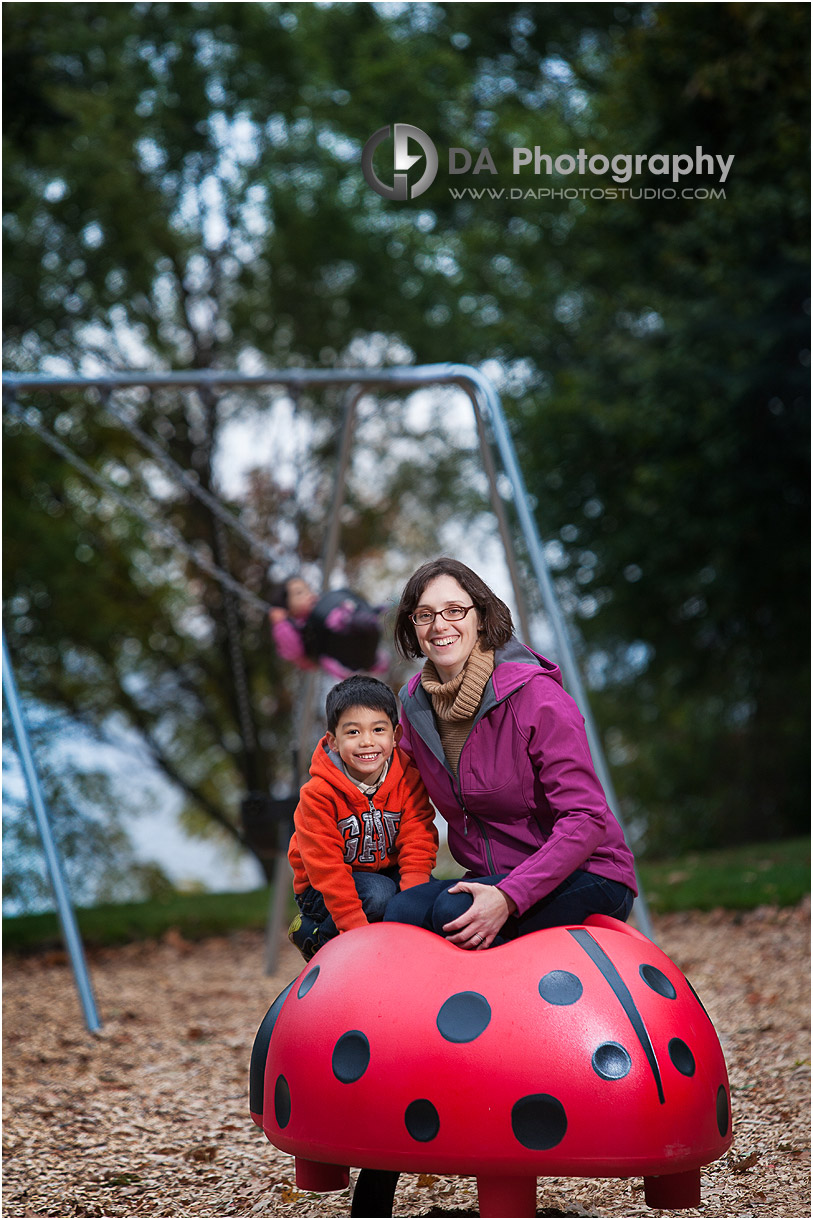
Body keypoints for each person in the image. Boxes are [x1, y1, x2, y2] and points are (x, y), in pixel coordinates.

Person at [383, 557, 637, 949]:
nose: (439, 625)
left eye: (454, 610)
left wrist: (509, 896)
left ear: (481, 617)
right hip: (493, 874)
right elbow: (391, 793)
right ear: (412, 626)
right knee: (400, 914)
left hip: (587, 872)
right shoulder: (415, 707)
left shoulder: (536, 696)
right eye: (424, 615)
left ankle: (510, 1010)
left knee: (455, 916)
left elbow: (586, 818)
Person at [287, 674, 439, 961]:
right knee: (379, 895)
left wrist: (413, 906)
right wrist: (355, 933)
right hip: (321, 888)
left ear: (396, 736)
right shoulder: (318, 794)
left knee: (432, 896)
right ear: (333, 740)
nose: (367, 742)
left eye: (378, 729)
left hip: (385, 872)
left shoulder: (408, 778)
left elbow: (418, 838)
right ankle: (317, 936)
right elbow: (326, 868)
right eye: (353, 732)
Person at [268, 575, 388, 678]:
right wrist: (280, 624)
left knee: (342, 612)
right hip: (333, 652)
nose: (308, 594)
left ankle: (367, 617)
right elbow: (295, 652)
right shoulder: (294, 628)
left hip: (353, 638)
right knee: (336, 623)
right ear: (288, 607)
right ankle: (359, 623)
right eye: (299, 593)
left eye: (308, 589)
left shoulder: (323, 607)